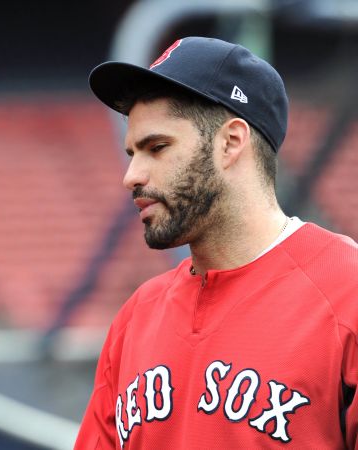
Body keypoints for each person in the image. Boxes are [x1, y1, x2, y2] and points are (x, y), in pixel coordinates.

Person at [74, 36, 358, 449]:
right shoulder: (136, 317)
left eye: (156, 147)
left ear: (230, 142)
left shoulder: (346, 291)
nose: (131, 175)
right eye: (133, 152)